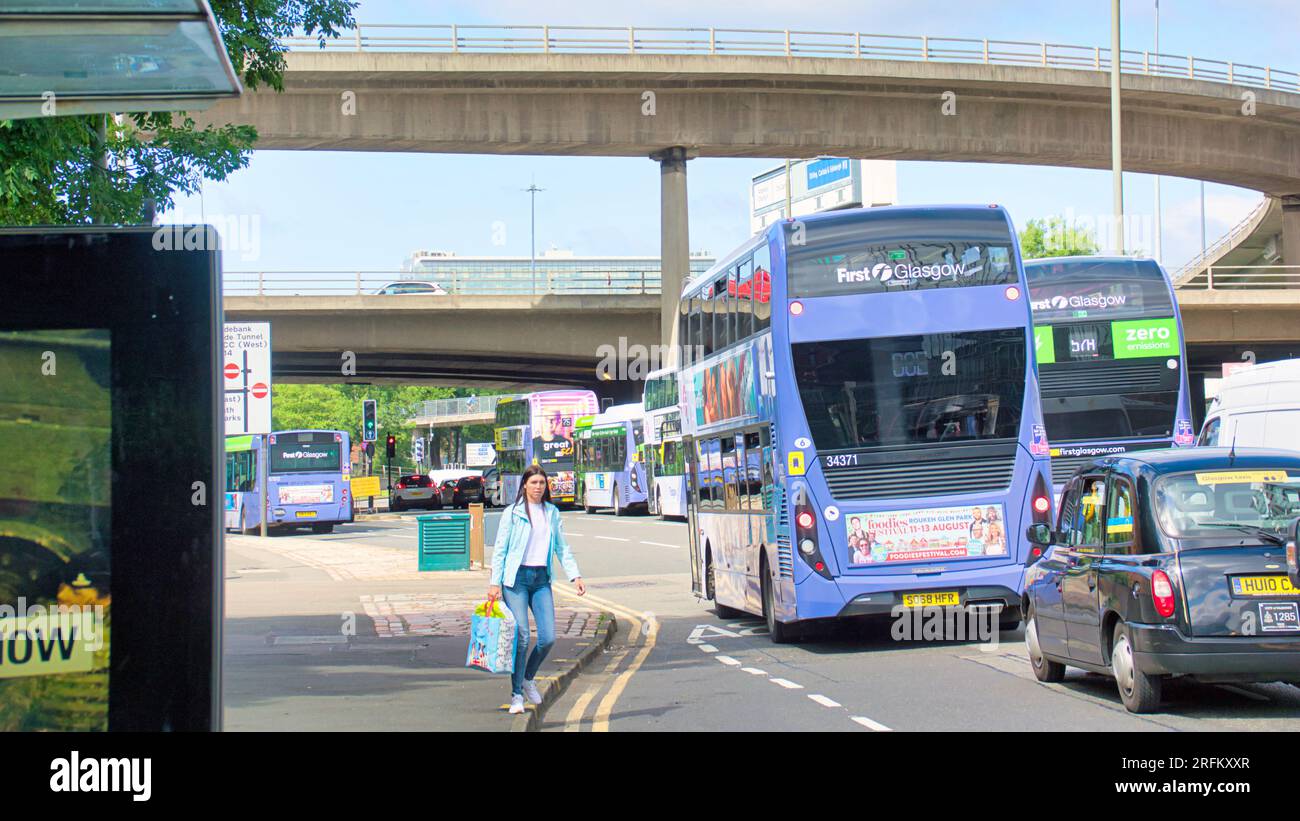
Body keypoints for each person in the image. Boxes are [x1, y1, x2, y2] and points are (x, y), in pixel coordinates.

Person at [488, 464, 586, 715]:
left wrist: (575, 575)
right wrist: (494, 583)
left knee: (548, 637)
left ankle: (528, 677)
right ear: (524, 485)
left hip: (541, 579)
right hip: (516, 580)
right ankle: (516, 695)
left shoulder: (552, 512)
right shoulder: (513, 513)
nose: (538, 487)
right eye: (533, 483)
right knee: (522, 635)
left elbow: (561, 548)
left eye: (542, 483)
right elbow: (500, 550)